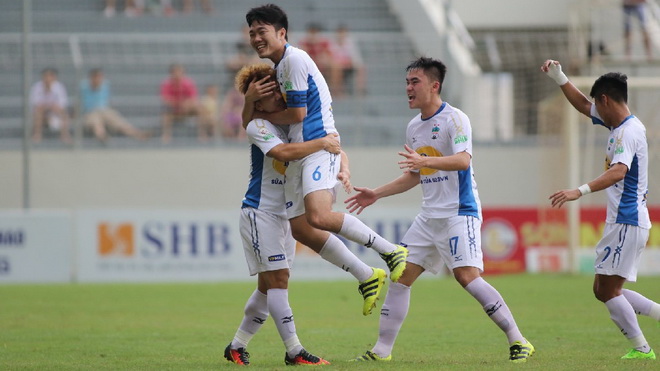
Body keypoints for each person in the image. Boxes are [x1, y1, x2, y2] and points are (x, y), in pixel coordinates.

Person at [345, 57, 534, 363]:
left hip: (459, 212)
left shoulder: (455, 119)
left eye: (414, 82)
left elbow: (462, 160)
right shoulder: (413, 126)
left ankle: (519, 340)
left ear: (434, 86)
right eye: (407, 82)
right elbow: (416, 175)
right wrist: (375, 194)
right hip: (428, 217)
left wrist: (425, 162)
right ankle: (381, 352)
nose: (408, 88)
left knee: (467, 277)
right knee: (400, 276)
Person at [243, 5, 408, 298]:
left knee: (318, 217)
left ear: (282, 33)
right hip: (306, 150)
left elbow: (297, 114)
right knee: (301, 230)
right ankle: (366, 276)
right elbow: (259, 125)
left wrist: (261, 117)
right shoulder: (280, 66)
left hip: (317, 144)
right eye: (252, 32)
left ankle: (390, 251)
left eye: (262, 31)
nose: (256, 38)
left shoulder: (293, 60)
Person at [542, 59, 659, 360]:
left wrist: (577, 191)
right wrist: (560, 77)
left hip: (627, 220)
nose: (594, 109)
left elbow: (619, 171)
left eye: (598, 103)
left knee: (606, 291)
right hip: (626, 220)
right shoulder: (620, 123)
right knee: (604, 288)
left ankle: (642, 349)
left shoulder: (627, 133)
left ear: (605, 99)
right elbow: (583, 105)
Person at [225, 64, 336, 366]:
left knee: (268, 286)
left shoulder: (289, 121)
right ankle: (294, 350)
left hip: (284, 215)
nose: (281, 93)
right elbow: (283, 154)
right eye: (272, 91)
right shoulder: (257, 125)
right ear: (258, 100)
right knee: (278, 281)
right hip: (261, 212)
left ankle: (236, 346)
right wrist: (323, 143)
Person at [80, 68, 149, 143]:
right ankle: (101, 136)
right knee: (96, 122)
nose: (100, 79)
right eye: (97, 77)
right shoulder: (83, 87)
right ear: (92, 78)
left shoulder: (105, 85)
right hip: (90, 112)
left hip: (104, 111)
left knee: (119, 121)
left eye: (101, 77)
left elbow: (107, 101)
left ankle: (138, 134)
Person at [159, 63, 208, 143]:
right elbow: (165, 99)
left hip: (187, 109)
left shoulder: (188, 83)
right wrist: (177, 103)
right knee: (165, 114)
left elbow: (194, 98)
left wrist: (186, 104)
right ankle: (166, 136)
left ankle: (202, 134)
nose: (177, 74)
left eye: (180, 72)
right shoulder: (166, 84)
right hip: (173, 110)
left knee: (200, 110)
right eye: (175, 72)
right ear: (171, 73)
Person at [30, 68, 72, 144]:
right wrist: (48, 106)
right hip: (42, 114)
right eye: (46, 76)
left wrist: (52, 107)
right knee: (38, 112)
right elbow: (36, 105)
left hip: (55, 113)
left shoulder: (59, 87)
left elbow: (63, 105)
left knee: (65, 113)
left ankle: (65, 135)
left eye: (50, 76)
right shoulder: (36, 87)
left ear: (54, 77)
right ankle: (37, 135)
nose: (47, 79)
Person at [329, 24, 366, 97]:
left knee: (361, 68)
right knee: (336, 68)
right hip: (337, 65)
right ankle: (337, 91)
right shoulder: (332, 43)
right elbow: (331, 57)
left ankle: (360, 90)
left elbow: (355, 57)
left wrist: (351, 63)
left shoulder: (350, 43)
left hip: (348, 65)